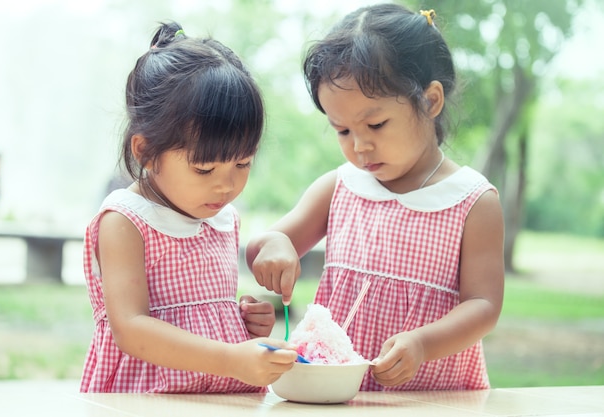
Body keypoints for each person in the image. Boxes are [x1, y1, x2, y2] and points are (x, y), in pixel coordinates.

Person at [246, 4, 504, 391]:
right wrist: (276, 245)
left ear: (431, 101)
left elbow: (483, 306)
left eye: (376, 124)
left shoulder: (472, 201)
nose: (360, 146)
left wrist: (422, 343)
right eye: (342, 130)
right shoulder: (341, 186)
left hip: (435, 398)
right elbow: (260, 248)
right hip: (335, 393)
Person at [80, 22, 297, 394]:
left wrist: (242, 321)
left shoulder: (221, 217)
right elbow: (131, 329)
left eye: (242, 164)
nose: (226, 185)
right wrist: (231, 358)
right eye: (204, 168)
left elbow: (203, 310)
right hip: (150, 398)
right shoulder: (125, 221)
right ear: (146, 152)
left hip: (224, 394)